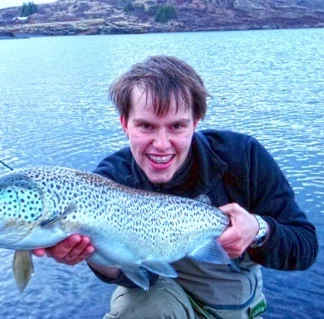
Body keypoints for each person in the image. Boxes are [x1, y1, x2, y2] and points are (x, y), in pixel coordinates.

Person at [33, 55, 318, 318]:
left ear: (196, 122)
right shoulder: (107, 182)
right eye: (146, 126)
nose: (161, 144)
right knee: (136, 308)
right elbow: (135, 275)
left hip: (233, 304)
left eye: (177, 127)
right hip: (158, 298)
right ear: (124, 124)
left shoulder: (243, 156)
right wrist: (91, 255)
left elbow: (304, 247)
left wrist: (258, 231)